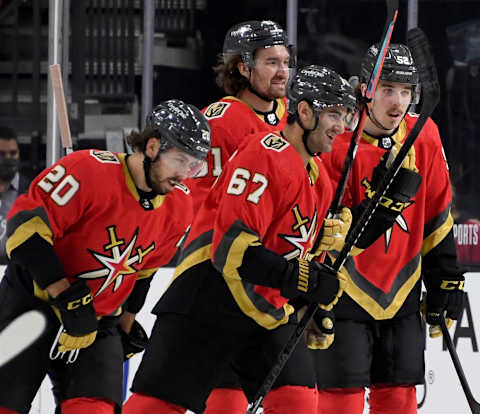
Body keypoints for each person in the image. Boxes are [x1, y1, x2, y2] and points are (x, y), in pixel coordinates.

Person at [122, 65, 357, 414]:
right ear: (304, 111)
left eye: (346, 115)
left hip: (263, 309)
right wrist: (300, 278)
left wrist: (313, 300)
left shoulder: (318, 175)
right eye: (333, 114)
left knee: (297, 402)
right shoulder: (265, 153)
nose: (341, 126)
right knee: (154, 408)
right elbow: (233, 248)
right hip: (208, 298)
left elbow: (290, 250)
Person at [0, 99, 210, 414]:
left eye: (193, 165)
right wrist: (64, 293)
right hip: (32, 304)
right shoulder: (88, 169)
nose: (185, 174)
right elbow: (24, 228)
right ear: (152, 147)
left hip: (98, 322)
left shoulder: (179, 207)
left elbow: (143, 272)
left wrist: (126, 324)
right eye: (180, 160)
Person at [315, 44, 465, 414]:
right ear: (365, 88)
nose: (397, 102)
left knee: (399, 401)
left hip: (402, 294)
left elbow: (436, 214)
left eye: (405, 91)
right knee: (341, 404)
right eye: (387, 89)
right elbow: (331, 231)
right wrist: (383, 198)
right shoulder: (335, 140)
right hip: (342, 293)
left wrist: (445, 278)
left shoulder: (424, 135)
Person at [185, 19, 311, 413]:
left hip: (272, 281)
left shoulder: (297, 117)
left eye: (286, 62)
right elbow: (196, 202)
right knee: (227, 404)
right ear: (241, 67)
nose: (283, 72)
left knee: (297, 400)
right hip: (220, 278)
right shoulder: (218, 121)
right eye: (271, 62)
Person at [0, 127, 31, 264]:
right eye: (1, 154)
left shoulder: (30, 191)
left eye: (13, 153)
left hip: (15, 270)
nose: (8, 159)